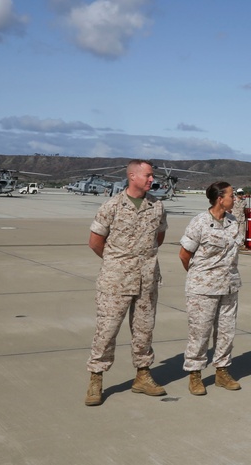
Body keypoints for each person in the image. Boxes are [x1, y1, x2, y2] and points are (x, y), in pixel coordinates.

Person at [84, 160, 168, 406]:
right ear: (132, 176)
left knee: (144, 329)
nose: (152, 179)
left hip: (147, 279)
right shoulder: (112, 206)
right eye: (148, 175)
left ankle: (142, 376)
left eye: (152, 175)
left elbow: (159, 237)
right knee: (107, 330)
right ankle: (96, 378)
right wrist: (116, 263)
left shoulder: (158, 206)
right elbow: (95, 242)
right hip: (116, 281)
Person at [179, 182, 243, 395]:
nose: (235, 199)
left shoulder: (233, 221)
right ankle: (195, 374)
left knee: (227, 332)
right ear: (220, 198)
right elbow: (184, 254)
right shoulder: (200, 222)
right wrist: (200, 277)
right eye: (232, 196)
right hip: (203, 288)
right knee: (200, 332)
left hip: (229, 286)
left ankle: (222, 372)